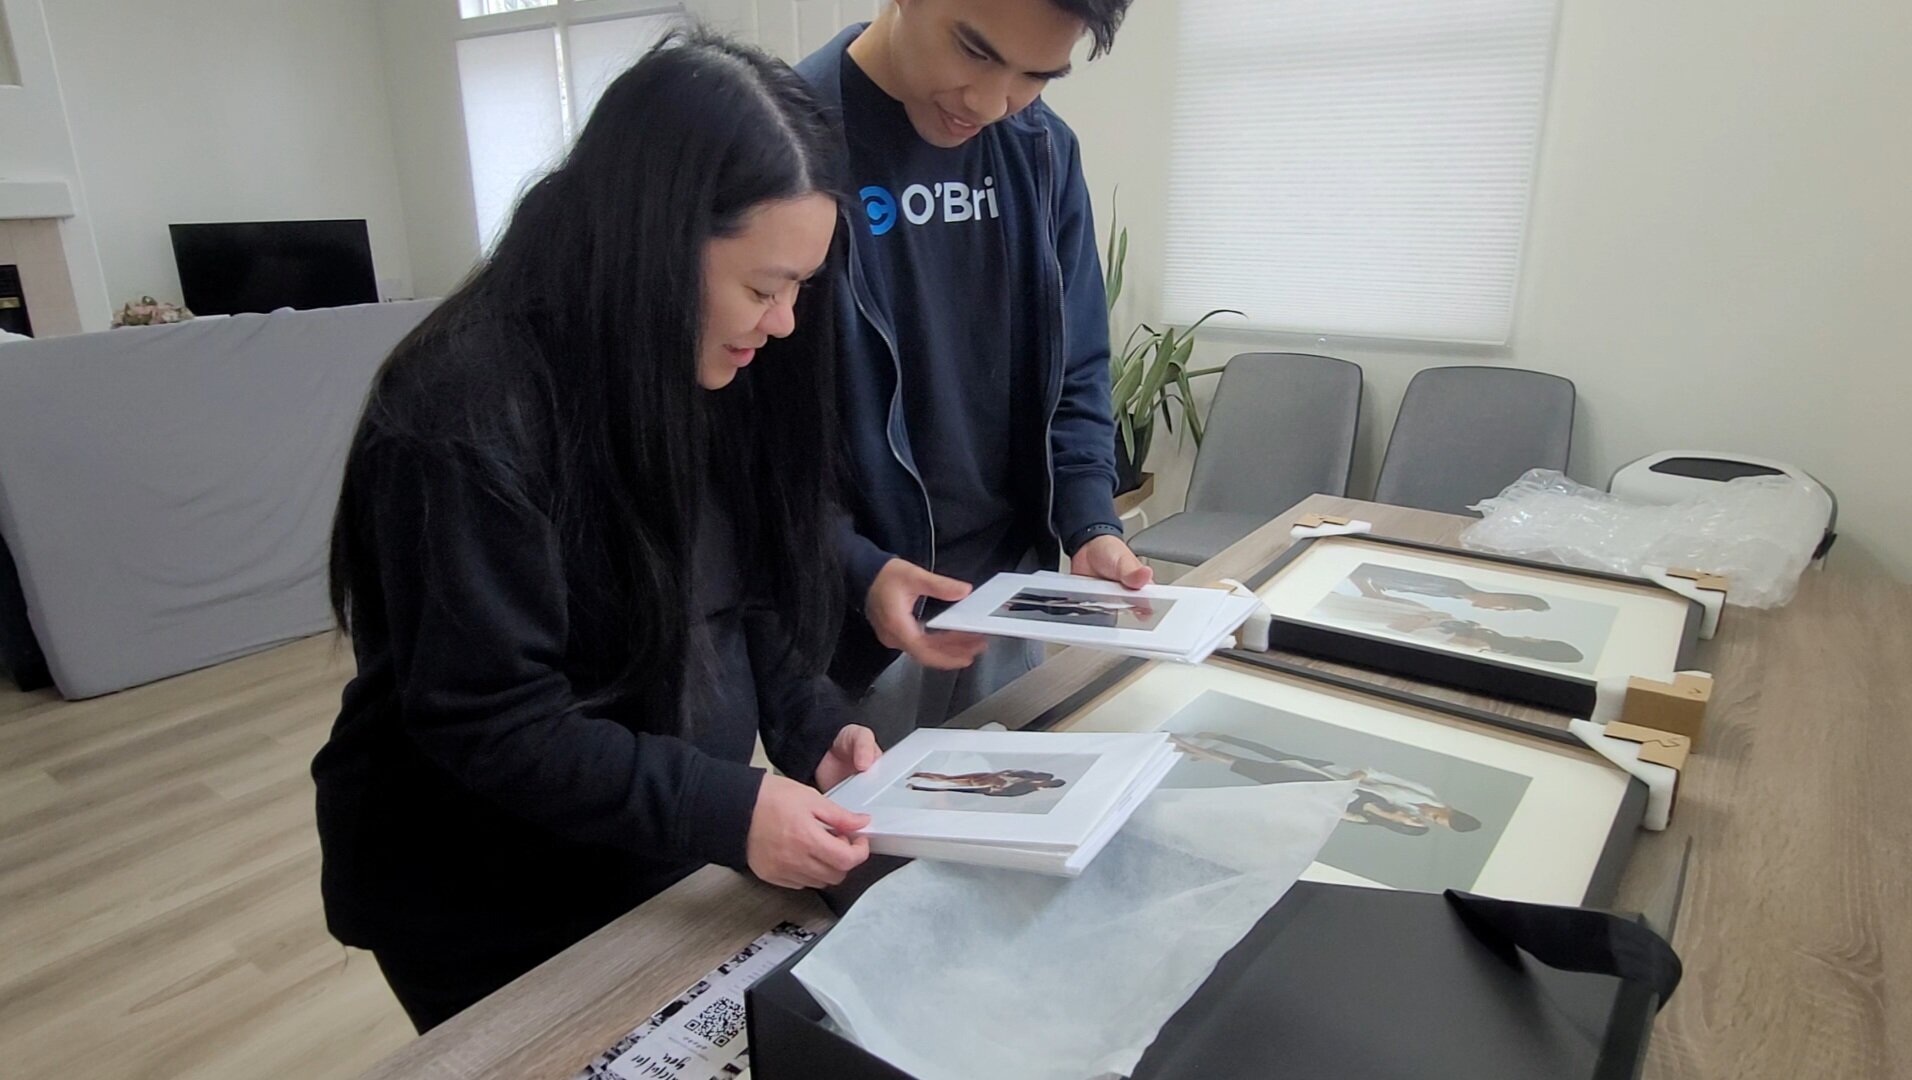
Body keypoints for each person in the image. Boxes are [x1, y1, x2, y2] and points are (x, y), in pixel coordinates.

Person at [312, 33, 882, 1034]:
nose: (785, 322)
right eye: (762, 288)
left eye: (802, 288)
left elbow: (744, 589)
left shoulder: (706, 363)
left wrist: (810, 727)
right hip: (479, 888)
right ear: (655, 243)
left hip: (637, 848)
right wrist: (728, 808)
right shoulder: (462, 411)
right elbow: (494, 722)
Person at [794, 0, 1144, 741]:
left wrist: (1088, 521)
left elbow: (1077, 366)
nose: (990, 104)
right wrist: (853, 565)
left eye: (1036, 75)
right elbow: (744, 442)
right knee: (870, 846)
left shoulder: (1042, 149)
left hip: (1008, 588)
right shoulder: (790, 141)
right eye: (975, 52)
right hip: (860, 615)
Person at [1347, 564, 1551, 612]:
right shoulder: (1445, 583)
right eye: (1508, 606)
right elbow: (1362, 569)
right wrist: (1369, 592)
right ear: (1501, 595)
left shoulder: (1450, 593)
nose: (1500, 610)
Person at [907, 767, 1069, 796]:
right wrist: (1004, 776)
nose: (1046, 784)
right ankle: (920, 775)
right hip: (989, 777)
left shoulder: (1029, 789)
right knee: (950, 779)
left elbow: (1008, 794)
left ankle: (918, 788)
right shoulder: (1030, 777)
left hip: (989, 786)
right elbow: (1011, 771)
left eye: (1049, 786)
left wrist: (996, 790)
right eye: (1049, 783)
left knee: (950, 788)